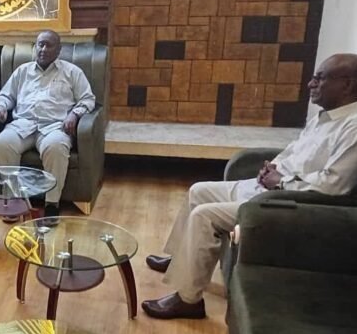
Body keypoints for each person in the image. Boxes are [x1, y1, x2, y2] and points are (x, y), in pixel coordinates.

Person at [142, 53, 357, 319]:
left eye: (319, 78)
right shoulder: (324, 118)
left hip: (288, 203)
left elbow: (333, 187)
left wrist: (281, 181)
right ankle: (181, 261)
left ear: (347, 84)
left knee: (204, 215)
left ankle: (188, 300)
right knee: (199, 190)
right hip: (270, 187)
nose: (310, 84)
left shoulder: (352, 129)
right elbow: (293, 151)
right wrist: (272, 167)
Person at [0, 30, 95, 226]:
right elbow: (6, 95)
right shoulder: (23, 71)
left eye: (49, 45)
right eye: (40, 44)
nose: (43, 49)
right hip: (23, 124)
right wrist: (1, 106)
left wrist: (74, 114)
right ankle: (14, 200)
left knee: (55, 147)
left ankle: (52, 204)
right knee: (3, 142)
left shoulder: (72, 72)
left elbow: (88, 99)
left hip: (55, 126)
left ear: (59, 49)